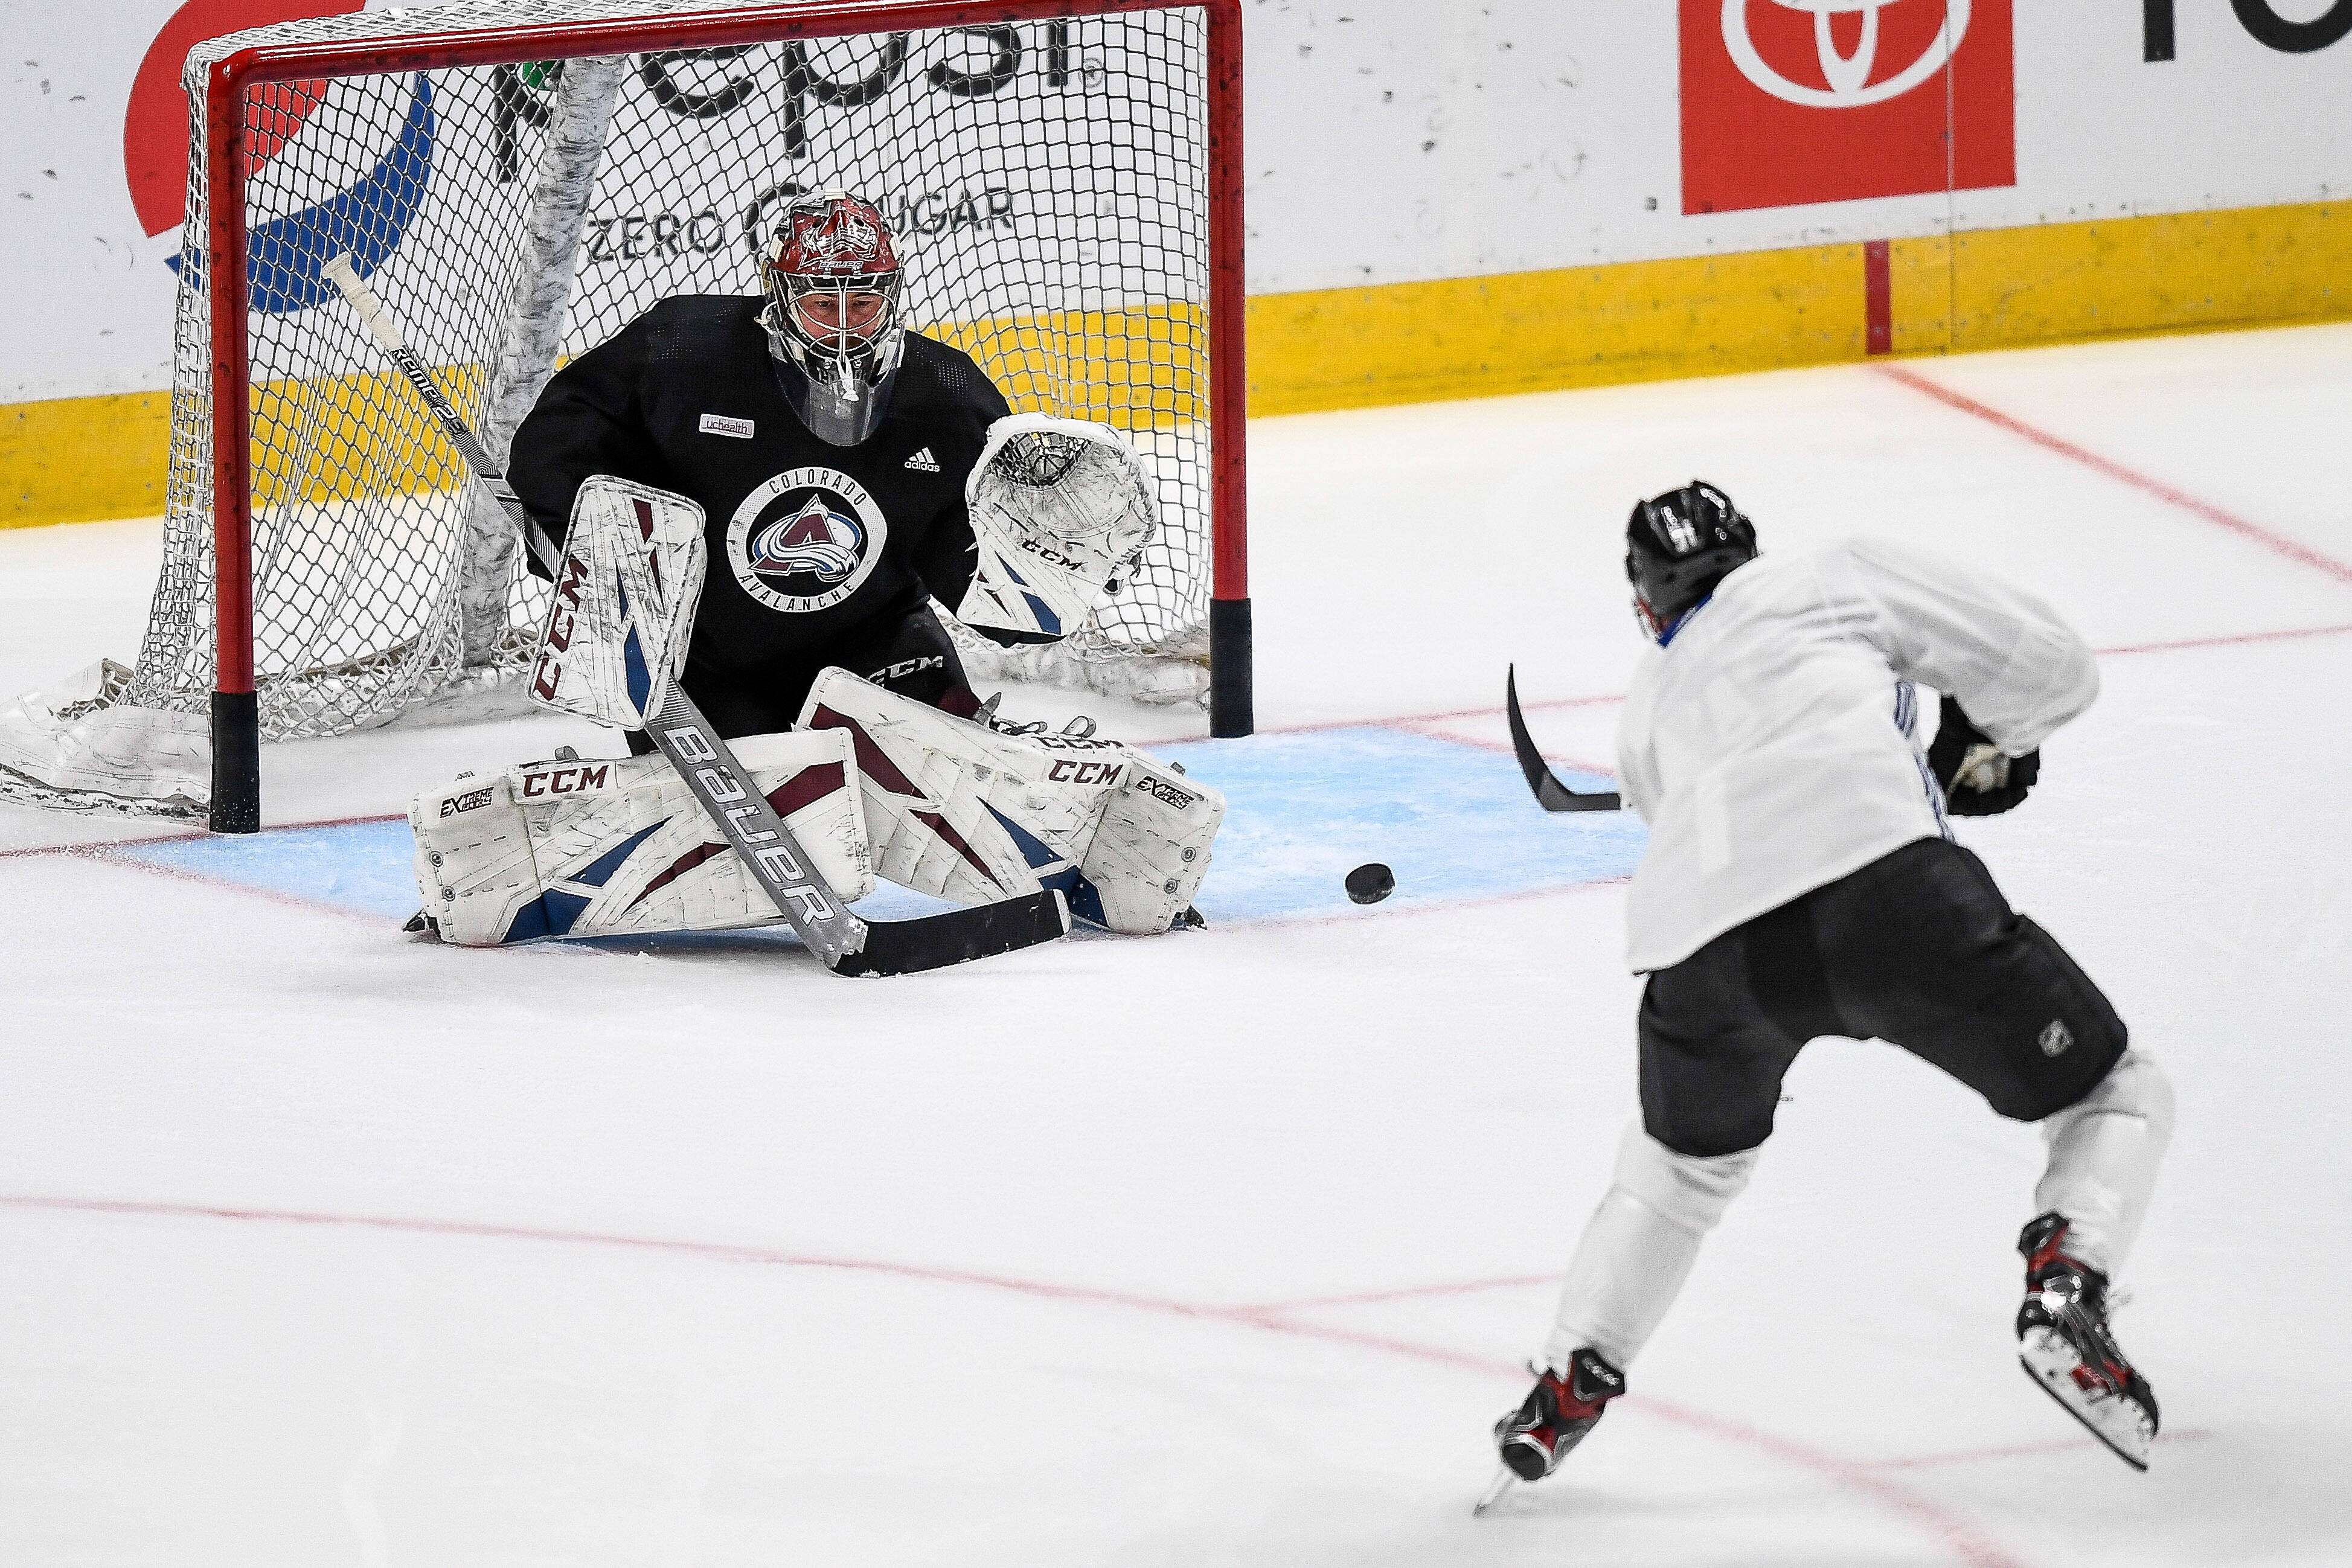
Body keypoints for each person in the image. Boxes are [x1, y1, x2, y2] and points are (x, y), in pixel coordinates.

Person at [1492, 483, 2174, 1490]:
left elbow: (1721, 819)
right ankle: (2066, 1279)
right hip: (1886, 894)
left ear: (1647, 601)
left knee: (1680, 1171)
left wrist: (1942, 764)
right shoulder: (1825, 576)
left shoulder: (1646, 705)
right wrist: (1977, 744)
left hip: (1703, 954)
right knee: (2119, 1089)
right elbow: (2053, 668)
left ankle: (1567, 1384)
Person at [406, 191, 1221, 947]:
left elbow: (969, 574)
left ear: (892, 294)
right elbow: (554, 444)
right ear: (777, 291)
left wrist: (1043, 572)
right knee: (766, 821)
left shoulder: (947, 394)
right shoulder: (682, 350)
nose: (842, 324)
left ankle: (1105, 868)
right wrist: (601, 556)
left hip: (877, 643)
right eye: (821, 301)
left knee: (954, 772)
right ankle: (511, 870)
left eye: (862, 301)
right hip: (708, 657)